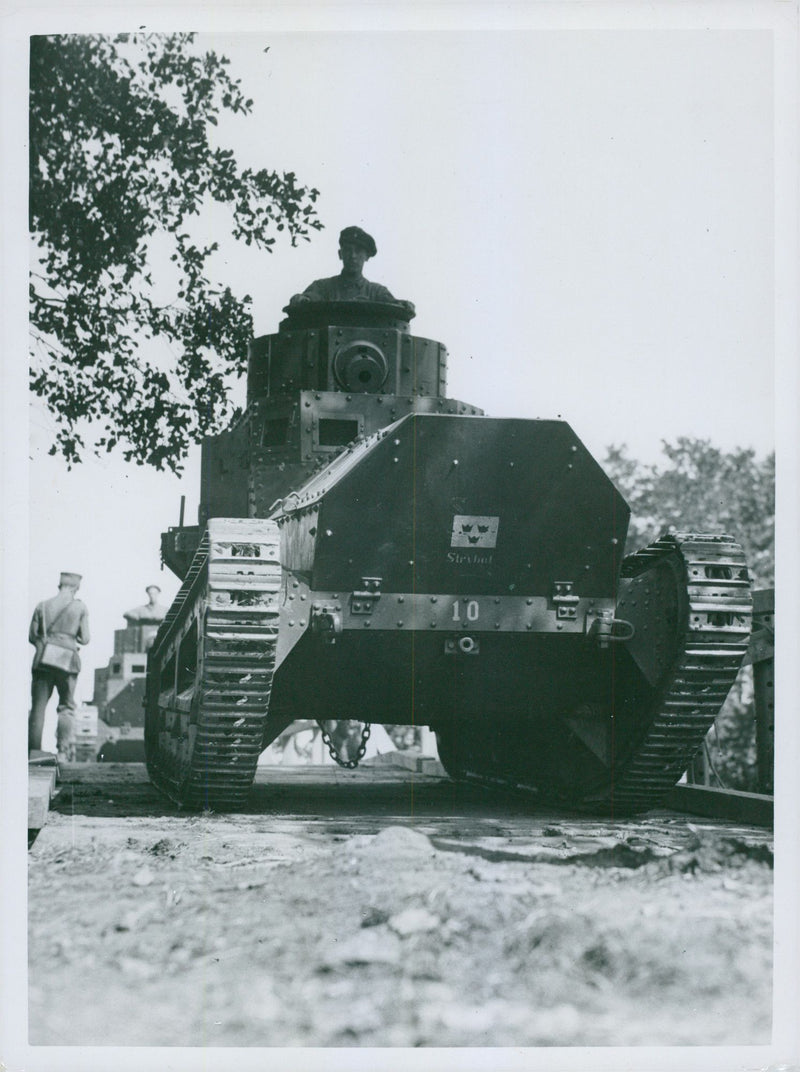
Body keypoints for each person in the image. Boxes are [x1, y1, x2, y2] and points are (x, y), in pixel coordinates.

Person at [28, 571, 90, 760]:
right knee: (66, 707)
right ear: (74, 588)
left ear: (60, 585)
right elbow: (85, 638)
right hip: (67, 661)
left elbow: (32, 636)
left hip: (43, 660)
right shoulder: (79, 607)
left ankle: (33, 752)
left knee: (38, 707)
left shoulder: (42, 605)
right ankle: (62, 751)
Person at [289, 226, 415, 314]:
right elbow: (307, 299)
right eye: (348, 250)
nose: (353, 256)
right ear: (340, 254)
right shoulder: (322, 287)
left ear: (367, 256)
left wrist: (404, 305)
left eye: (358, 251)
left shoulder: (377, 292)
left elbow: (395, 308)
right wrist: (300, 299)